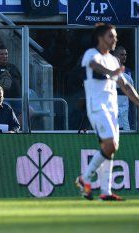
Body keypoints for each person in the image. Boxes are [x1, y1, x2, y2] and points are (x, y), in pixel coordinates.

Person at [75, 24, 139, 201]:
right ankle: (84, 178)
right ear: (101, 38)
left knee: (109, 149)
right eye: (111, 36)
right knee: (111, 145)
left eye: (115, 36)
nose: (115, 40)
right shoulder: (91, 54)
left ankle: (105, 191)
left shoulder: (113, 60)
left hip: (112, 109)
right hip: (97, 107)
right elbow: (95, 66)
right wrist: (112, 73)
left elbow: (126, 86)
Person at [113, 46, 134, 131]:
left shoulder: (128, 72)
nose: (124, 56)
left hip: (125, 112)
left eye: (125, 55)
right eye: (121, 54)